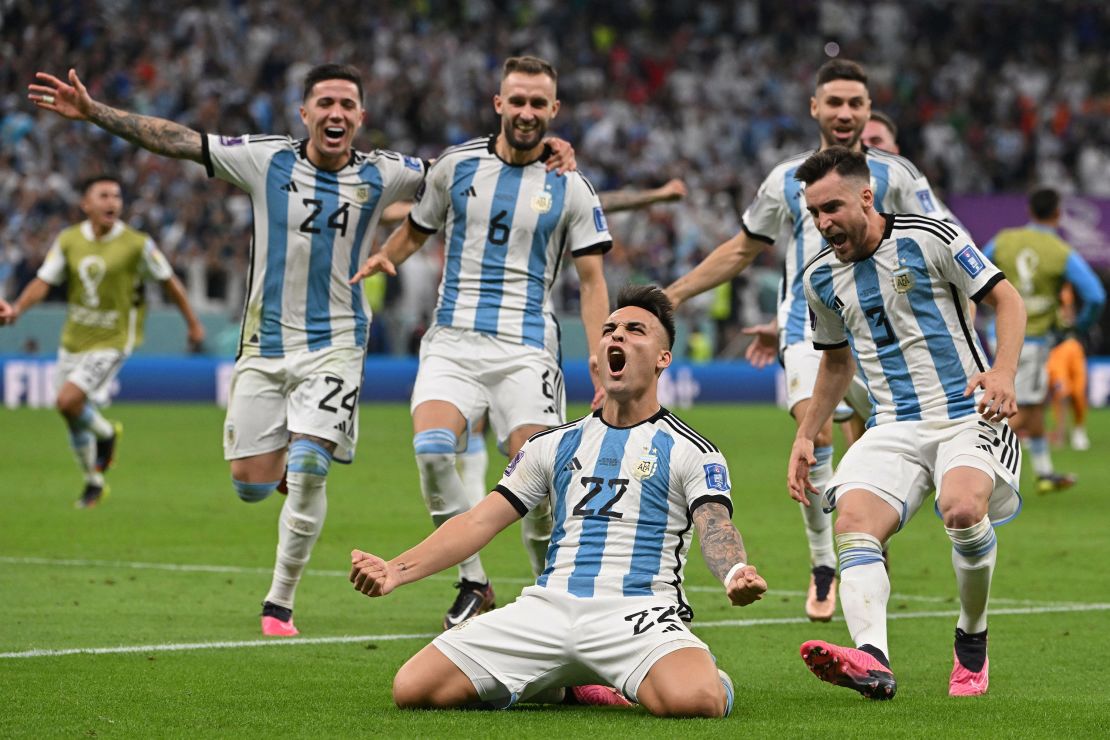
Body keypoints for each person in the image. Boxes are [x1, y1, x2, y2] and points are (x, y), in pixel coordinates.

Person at [26, 64, 448, 636]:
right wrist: (96, 111)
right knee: (250, 484)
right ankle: (280, 472)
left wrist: (540, 150)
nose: (336, 113)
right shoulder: (265, 158)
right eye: (325, 102)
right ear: (304, 113)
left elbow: (460, 173)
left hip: (337, 345)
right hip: (263, 346)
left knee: (308, 468)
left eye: (348, 104)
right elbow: (177, 140)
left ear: (361, 117)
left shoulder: (385, 172)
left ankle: (279, 604)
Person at [349, 284, 767, 715]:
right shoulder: (551, 445)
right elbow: (478, 522)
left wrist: (735, 571)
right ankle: (558, 685)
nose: (616, 336)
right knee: (413, 688)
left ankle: (706, 673)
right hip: (548, 609)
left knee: (697, 701)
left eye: (635, 330)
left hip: (637, 612)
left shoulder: (690, 449)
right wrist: (395, 571)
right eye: (609, 329)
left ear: (663, 358)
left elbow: (715, 524)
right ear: (597, 355)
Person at [665, 60, 955, 622]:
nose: (845, 113)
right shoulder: (785, 179)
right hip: (807, 330)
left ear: (869, 110)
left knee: (880, 448)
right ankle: (825, 564)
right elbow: (742, 249)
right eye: (834, 103)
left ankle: (868, 537)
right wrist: (672, 296)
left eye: (855, 103)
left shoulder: (899, 175)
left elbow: (945, 244)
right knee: (814, 428)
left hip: (888, 339)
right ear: (814, 109)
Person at [350, 56, 611, 630]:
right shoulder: (456, 167)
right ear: (498, 103)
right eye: (516, 100)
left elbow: (592, 281)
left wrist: (603, 363)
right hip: (453, 342)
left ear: (554, 111)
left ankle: (552, 597)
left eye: (537, 103)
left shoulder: (570, 186)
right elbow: (416, 228)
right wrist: (385, 257)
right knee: (434, 448)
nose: (525, 112)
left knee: (538, 484)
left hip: (526, 350)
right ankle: (474, 580)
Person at [786, 147, 1026, 699]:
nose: (824, 223)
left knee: (963, 509)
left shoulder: (931, 237)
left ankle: (971, 634)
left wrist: (1004, 372)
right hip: (892, 424)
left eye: (832, 208)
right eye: (814, 213)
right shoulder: (820, 278)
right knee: (852, 526)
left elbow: (1007, 301)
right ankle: (872, 659)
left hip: (966, 412)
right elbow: (837, 361)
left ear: (866, 197)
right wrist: (805, 433)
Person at [0, 175, 205, 507]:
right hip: (73, 339)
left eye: (117, 196)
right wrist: (17, 309)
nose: (112, 202)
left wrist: (193, 323)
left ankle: (106, 436)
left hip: (113, 339)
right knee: (70, 411)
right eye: (104, 195)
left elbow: (170, 282)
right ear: (86, 204)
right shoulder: (68, 240)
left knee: (67, 402)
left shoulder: (137, 244)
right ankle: (93, 478)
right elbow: (43, 281)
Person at [982, 188, 1105, 492]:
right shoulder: (1060, 251)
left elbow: (974, 273)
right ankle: (973, 465)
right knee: (1020, 412)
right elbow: (1096, 296)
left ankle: (1045, 473)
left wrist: (989, 309)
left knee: (1034, 406)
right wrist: (1074, 328)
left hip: (999, 335)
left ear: (1030, 210)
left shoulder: (1003, 240)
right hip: (1032, 341)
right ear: (1058, 213)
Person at [1047, 285, 1091, 450]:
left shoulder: (1069, 288)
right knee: (1061, 390)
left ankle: (1079, 427)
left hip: (1074, 345)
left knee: (1079, 391)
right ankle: (1060, 431)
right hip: (1056, 349)